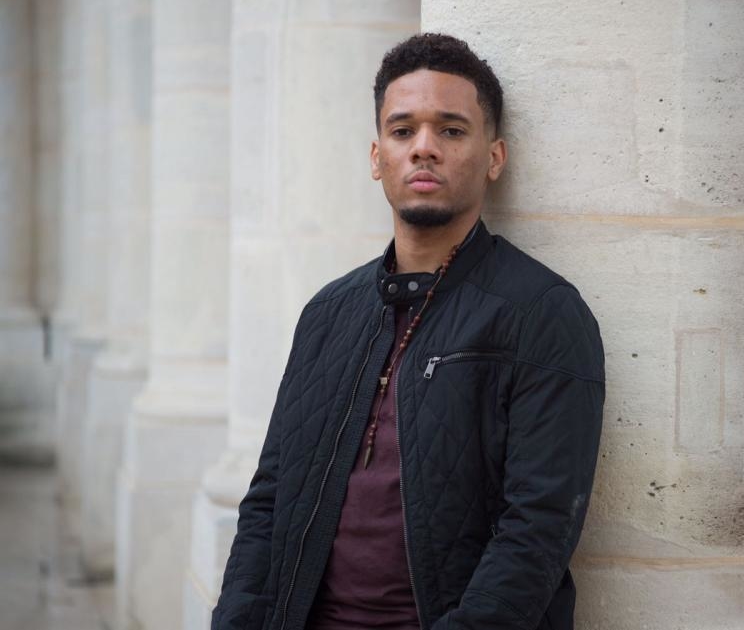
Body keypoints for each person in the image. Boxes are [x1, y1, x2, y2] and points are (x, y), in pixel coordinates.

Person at [211, 33, 605, 630]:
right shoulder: (327, 313)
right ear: (377, 158)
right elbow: (270, 498)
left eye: (451, 130)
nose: (424, 147)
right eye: (403, 130)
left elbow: (539, 529)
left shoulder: (541, 312)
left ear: (494, 158)